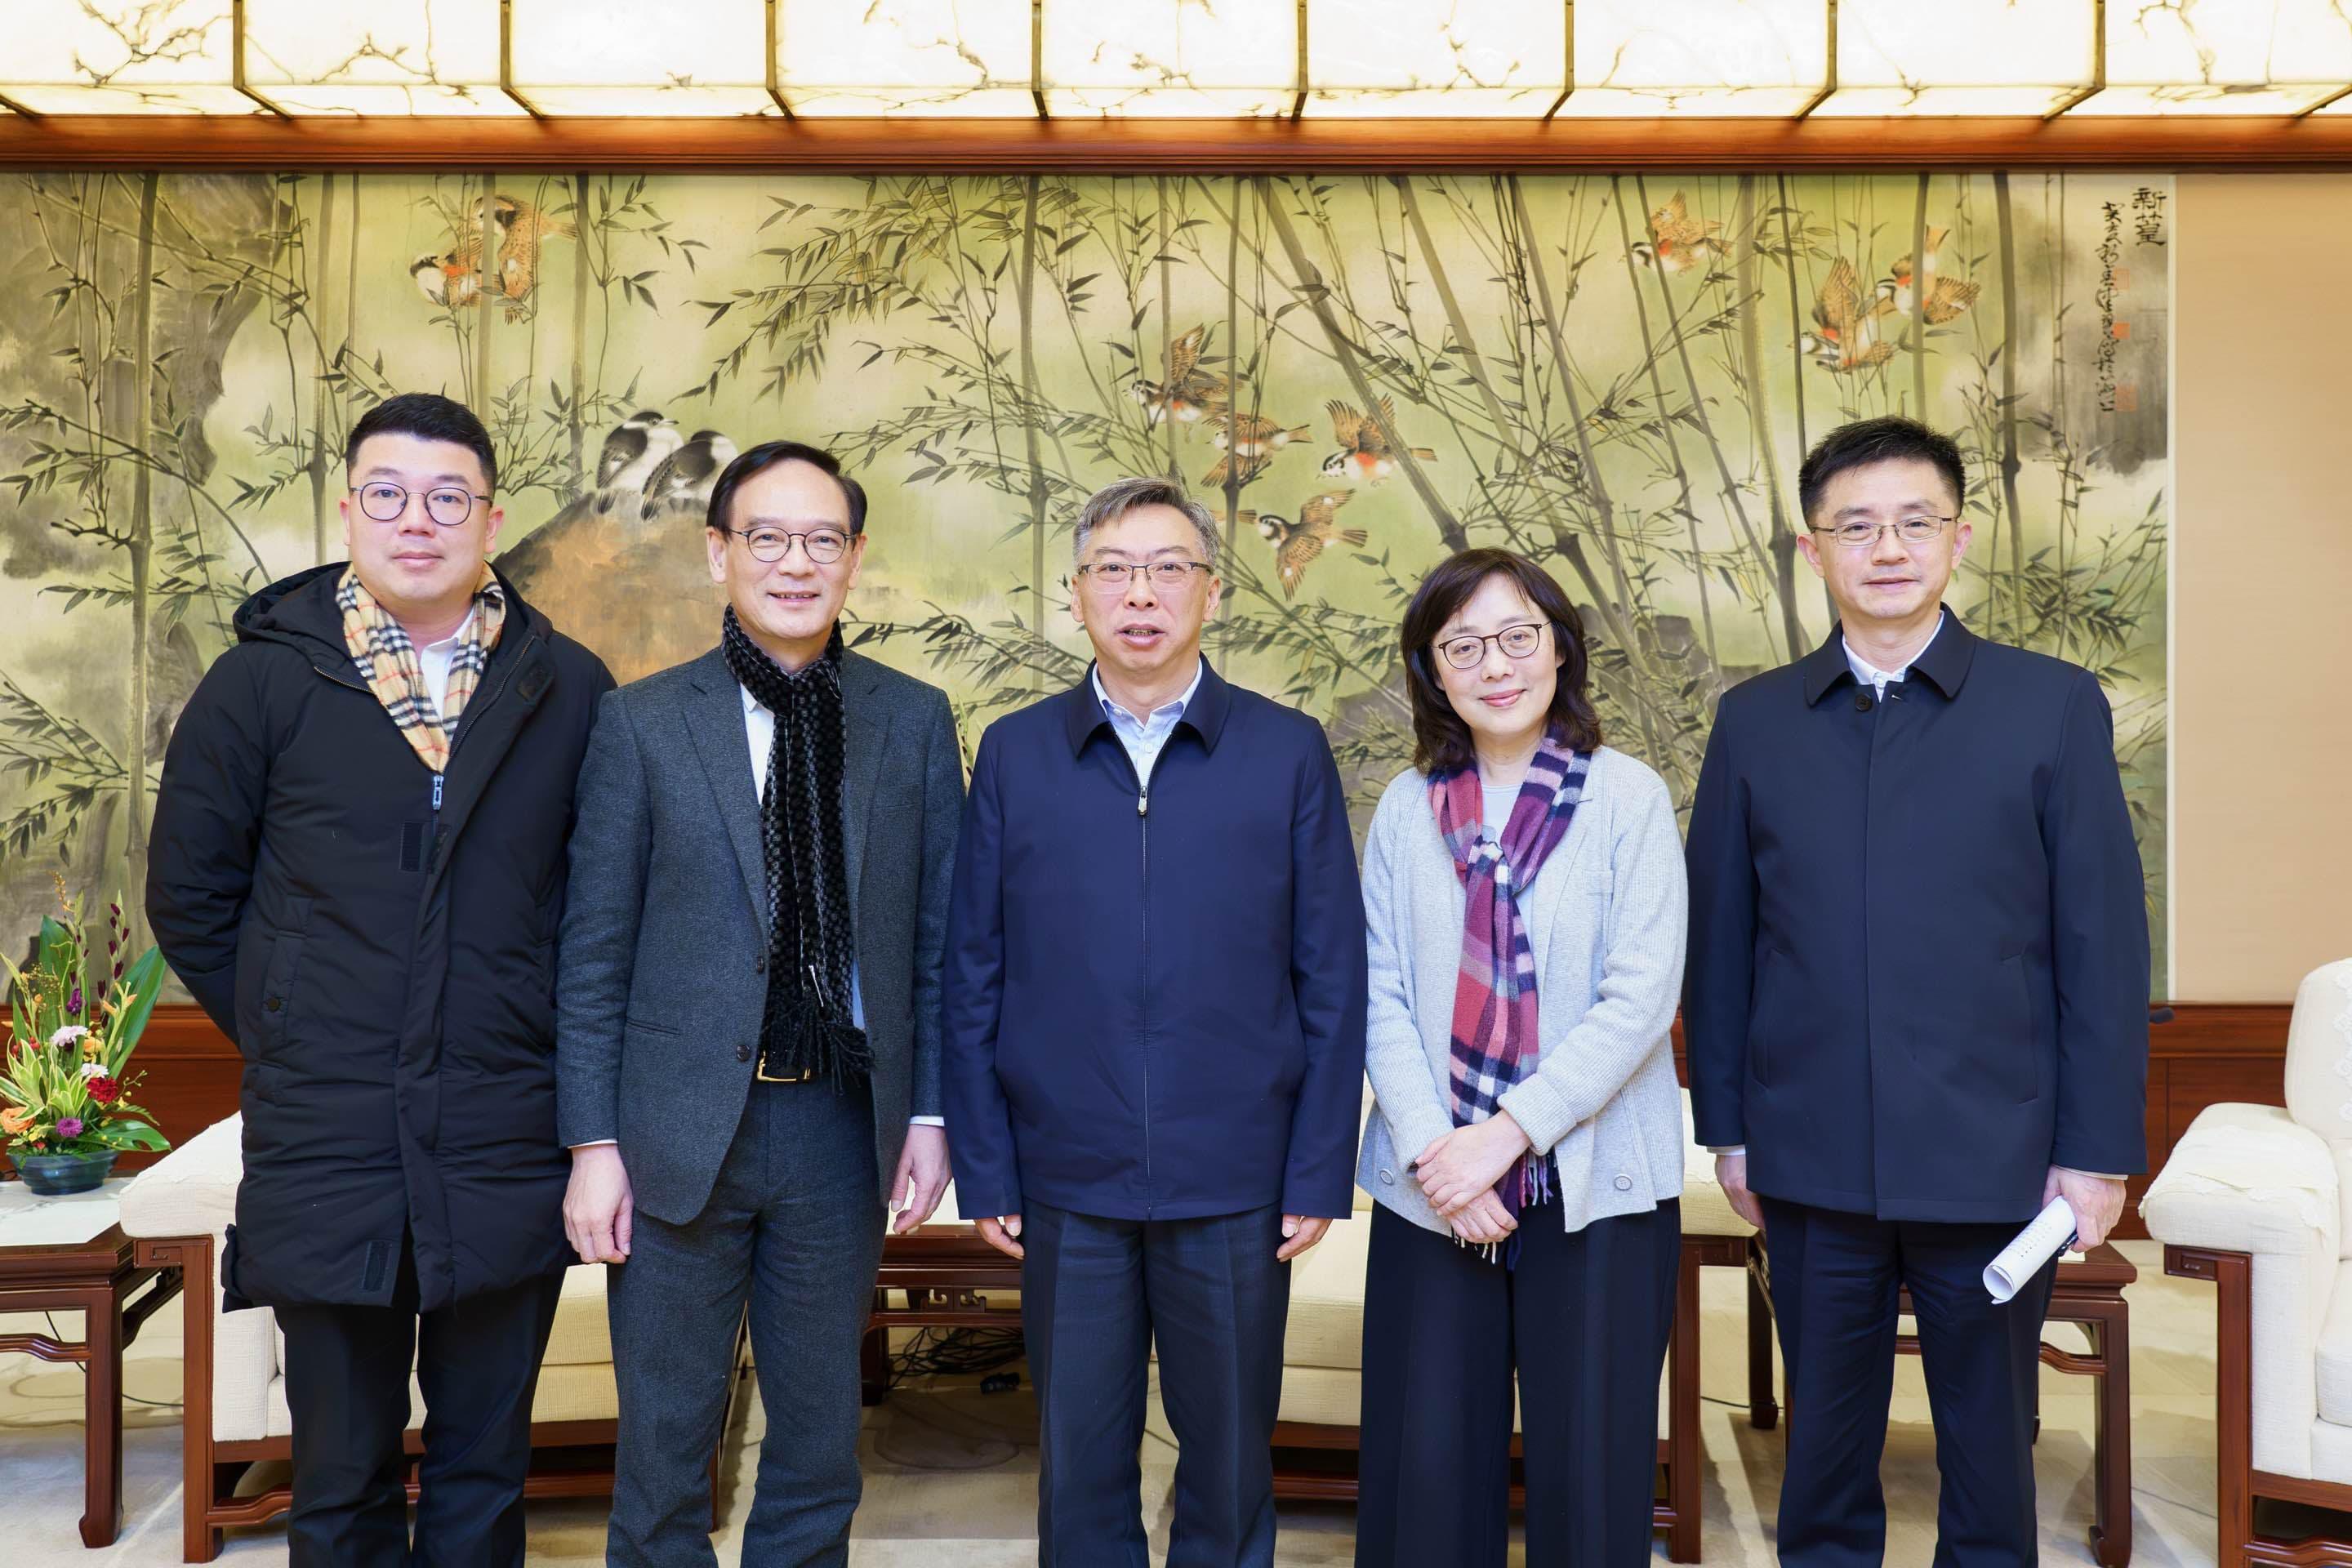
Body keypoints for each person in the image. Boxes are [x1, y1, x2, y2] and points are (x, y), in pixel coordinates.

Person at [146, 392, 615, 1566]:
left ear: (490, 518)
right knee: (340, 1478)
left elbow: (600, 906)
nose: (420, 521)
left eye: (449, 497)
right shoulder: (260, 683)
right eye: (390, 495)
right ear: (350, 509)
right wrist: (291, 1020)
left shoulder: (567, 689)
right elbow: (191, 897)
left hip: (503, 1126)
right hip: (328, 1132)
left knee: (482, 1471)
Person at [1684, 416, 2149, 1566]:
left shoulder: (2050, 705)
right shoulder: (1755, 723)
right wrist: (1730, 1132)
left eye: (1913, 522)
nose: (1886, 548)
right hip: (1809, 1156)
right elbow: (1726, 943)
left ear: (1959, 538)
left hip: (1996, 1157)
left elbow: (2102, 943)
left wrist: (2094, 1153)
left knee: (1991, 1454)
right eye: (1856, 526)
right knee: (1825, 1452)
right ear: (1814, 552)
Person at [942, 475, 1367, 1568]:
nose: (1142, 594)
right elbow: (973, 970)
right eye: (1115, 571)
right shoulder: (1019, 752)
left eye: (1168, 568)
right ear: (1077, 595)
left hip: (1237, 1177)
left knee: (1229, 1460)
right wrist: (986, 1169)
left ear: (1212, 593)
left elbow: (1332, 978)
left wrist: (1318, 1169)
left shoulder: (1285, 752)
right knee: (1079, 1461)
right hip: (1063, 1175)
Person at [555, 439, 962, 1567]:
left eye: (821, 540)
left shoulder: (912, 719)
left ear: (854, 558)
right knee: (667, 1451)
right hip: (675, 1134)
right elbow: (594, 952)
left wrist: (928, 1115)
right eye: (768, 539)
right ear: (719, 552)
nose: (796, 563)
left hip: (840, 1130)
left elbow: (937, 941)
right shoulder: (644, 724)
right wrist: (593, 1141)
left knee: (821, 1450)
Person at [1352, 548, 1687, 1568]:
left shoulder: (1628, 798)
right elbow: (1380, 996)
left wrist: (1503, 1135)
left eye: (1517, 637)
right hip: (1434, 1190)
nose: (1494, 664)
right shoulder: (1408, 810)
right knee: (1427, 1470)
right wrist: (1437, 1155)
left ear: (1559, 650)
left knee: (1591, 1476)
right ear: (1432, 671)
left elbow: (1641, 1001)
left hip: (1596, 1188)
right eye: (1462, 645)